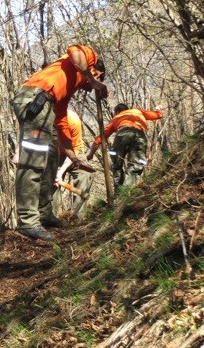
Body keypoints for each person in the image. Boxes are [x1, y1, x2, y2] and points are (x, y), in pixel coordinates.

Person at [11, 44, 108, 240]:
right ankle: (27, 221)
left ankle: (44, 214)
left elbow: (62, 124)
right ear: (96, 71)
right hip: (35, 98)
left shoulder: (65, 92)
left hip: (47, 104)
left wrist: (74, 158)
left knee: (51, 159)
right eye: (98, 79)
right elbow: (75, 51)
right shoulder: (89, 56)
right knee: (33, 163)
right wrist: (92, 80)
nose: (91, 89)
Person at [86, 102, 163, 189]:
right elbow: (158, 115)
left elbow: (100, 138)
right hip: (139, 135)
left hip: (122, 134)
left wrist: (91, 154)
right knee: (137, 163)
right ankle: (128, 189)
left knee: (116, 164)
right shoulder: (137, 111)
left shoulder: (116, 118)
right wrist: (158, 109)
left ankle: (119, 190)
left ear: (117, 112)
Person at [54, 108, 93, 218]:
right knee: (50, 181)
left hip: (74, 152)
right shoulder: (41, 120)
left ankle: (77, 217)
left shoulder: (73, 120)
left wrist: (60, 172)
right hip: (54, 153)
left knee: (85, 175)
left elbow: (74, 150)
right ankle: (49, 218)